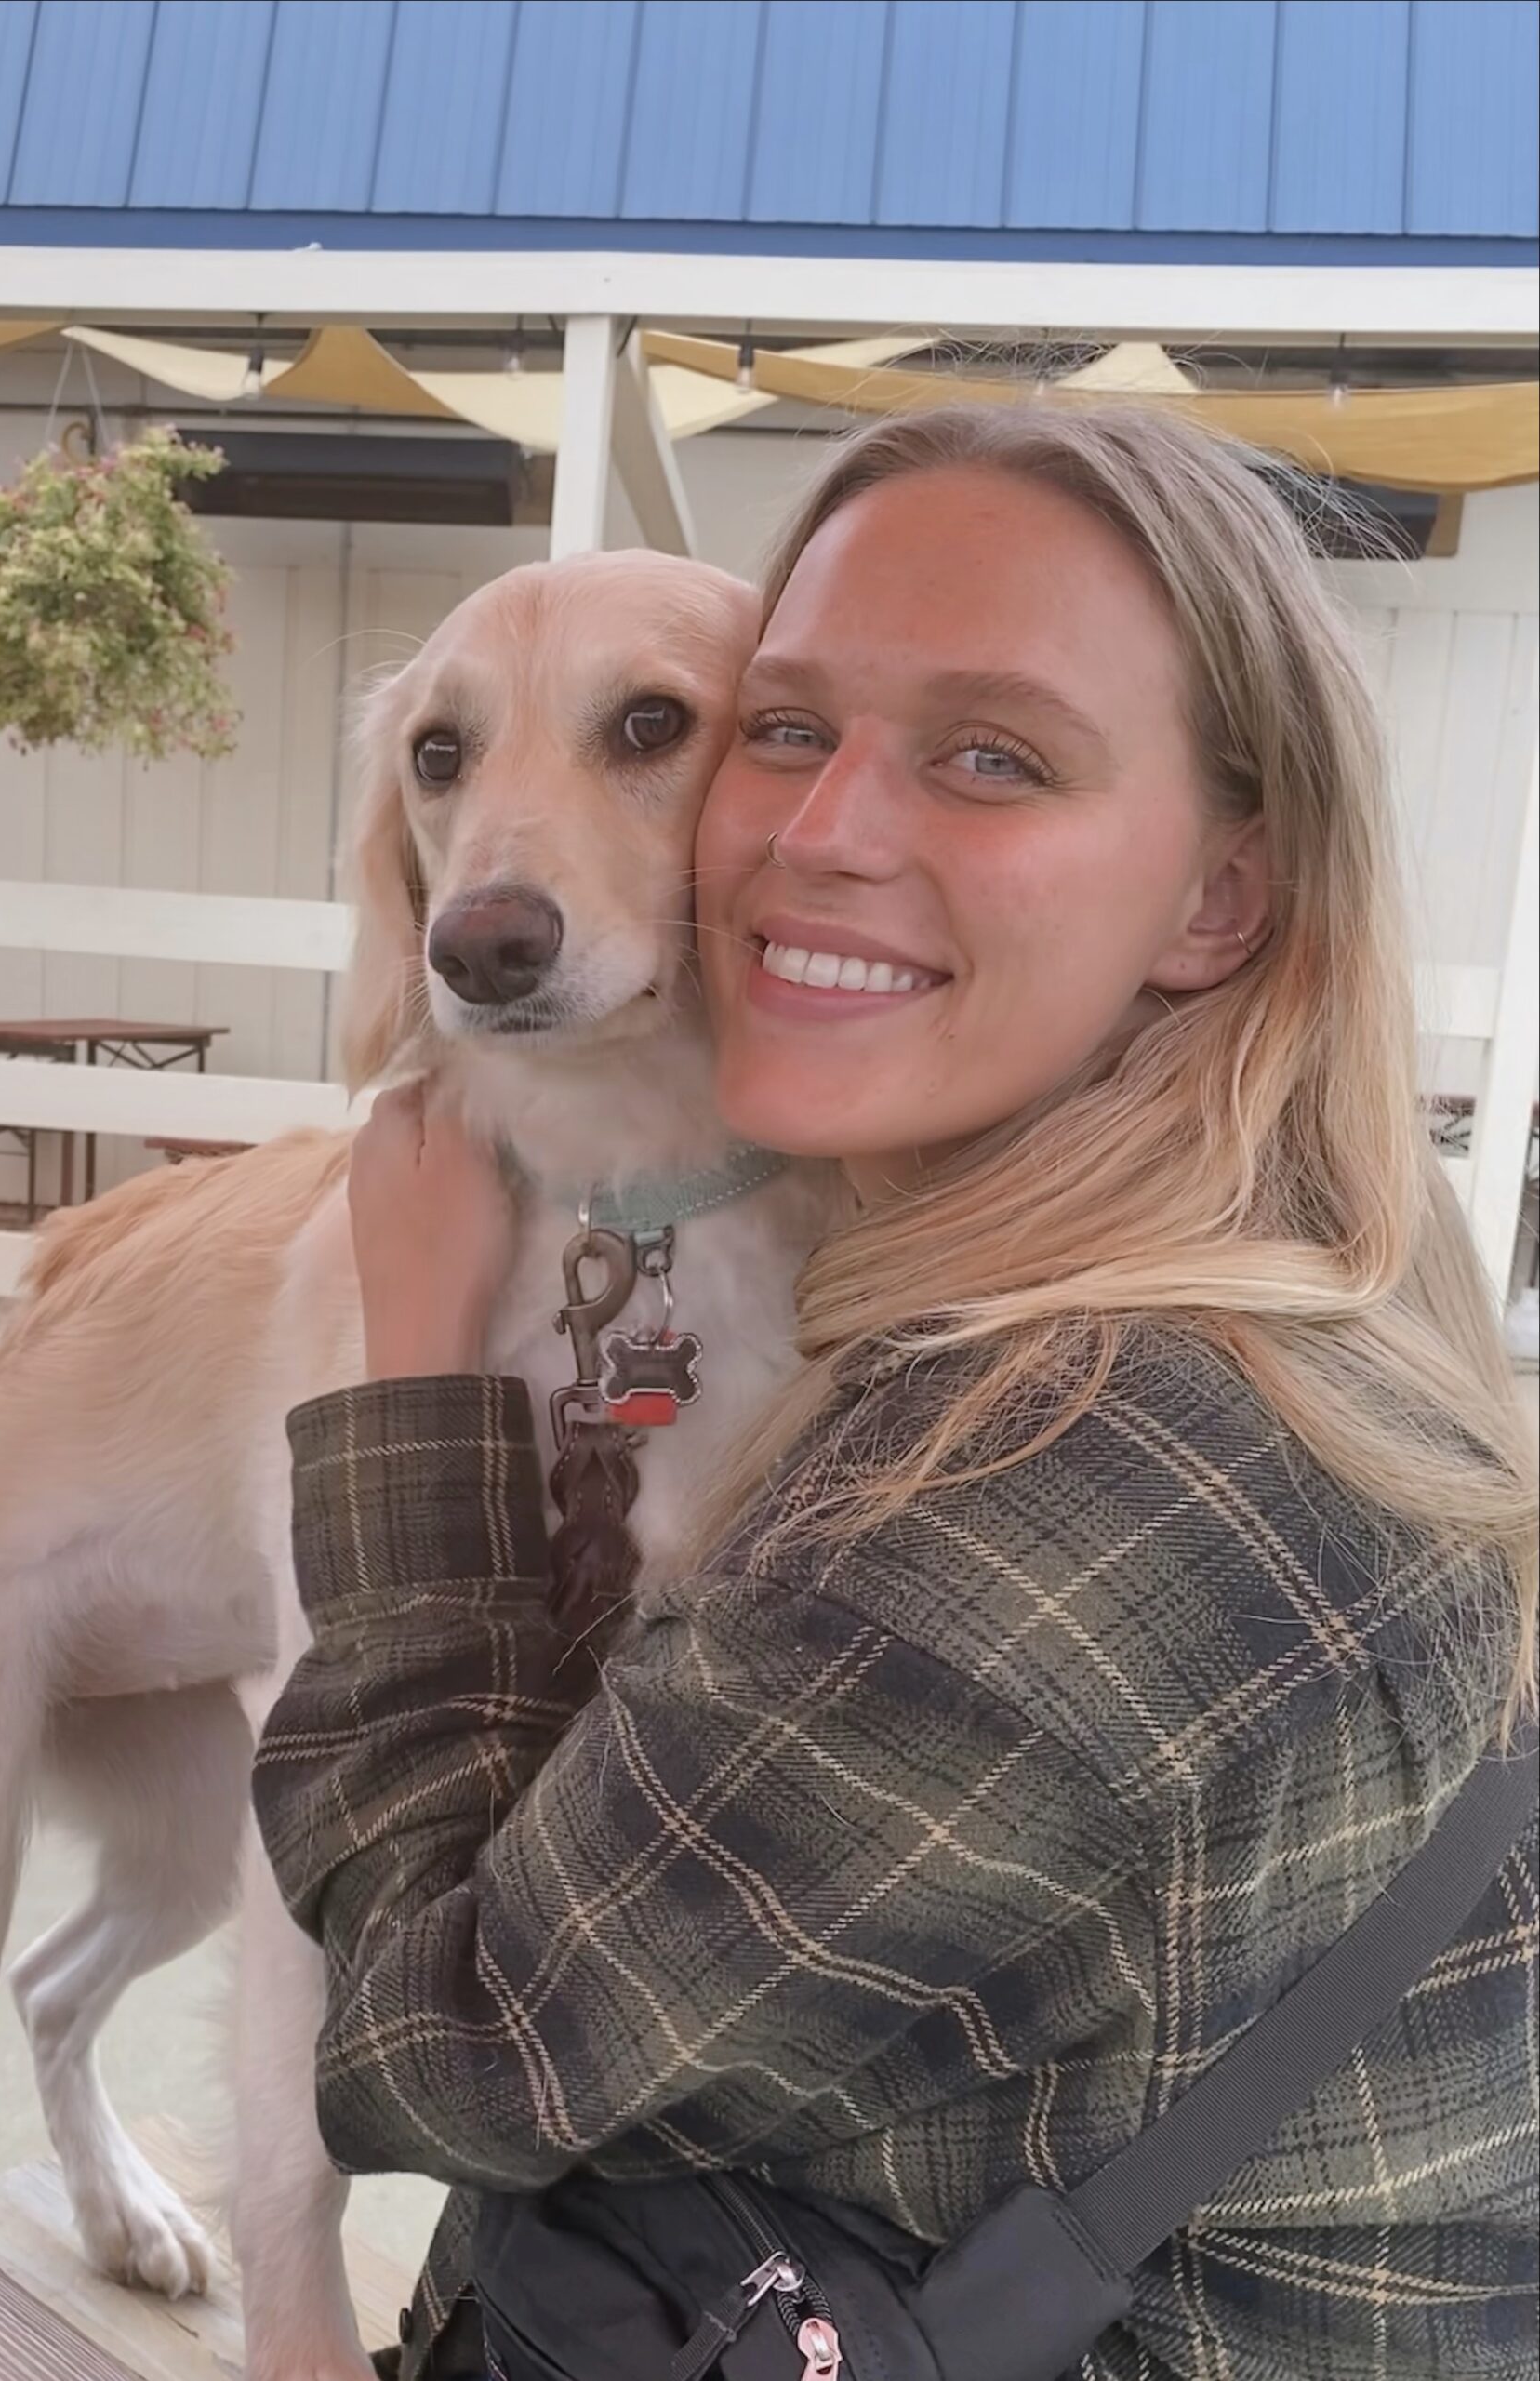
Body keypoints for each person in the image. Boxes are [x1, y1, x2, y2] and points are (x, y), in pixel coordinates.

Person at [252, 406, 1538, 2381]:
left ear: (1219, 896)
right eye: (787, 726)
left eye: (991, 756)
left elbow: (443, 2058)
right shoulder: (1255, 1287)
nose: (819, 834)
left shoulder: (1066, 1478)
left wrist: (412, 1387)